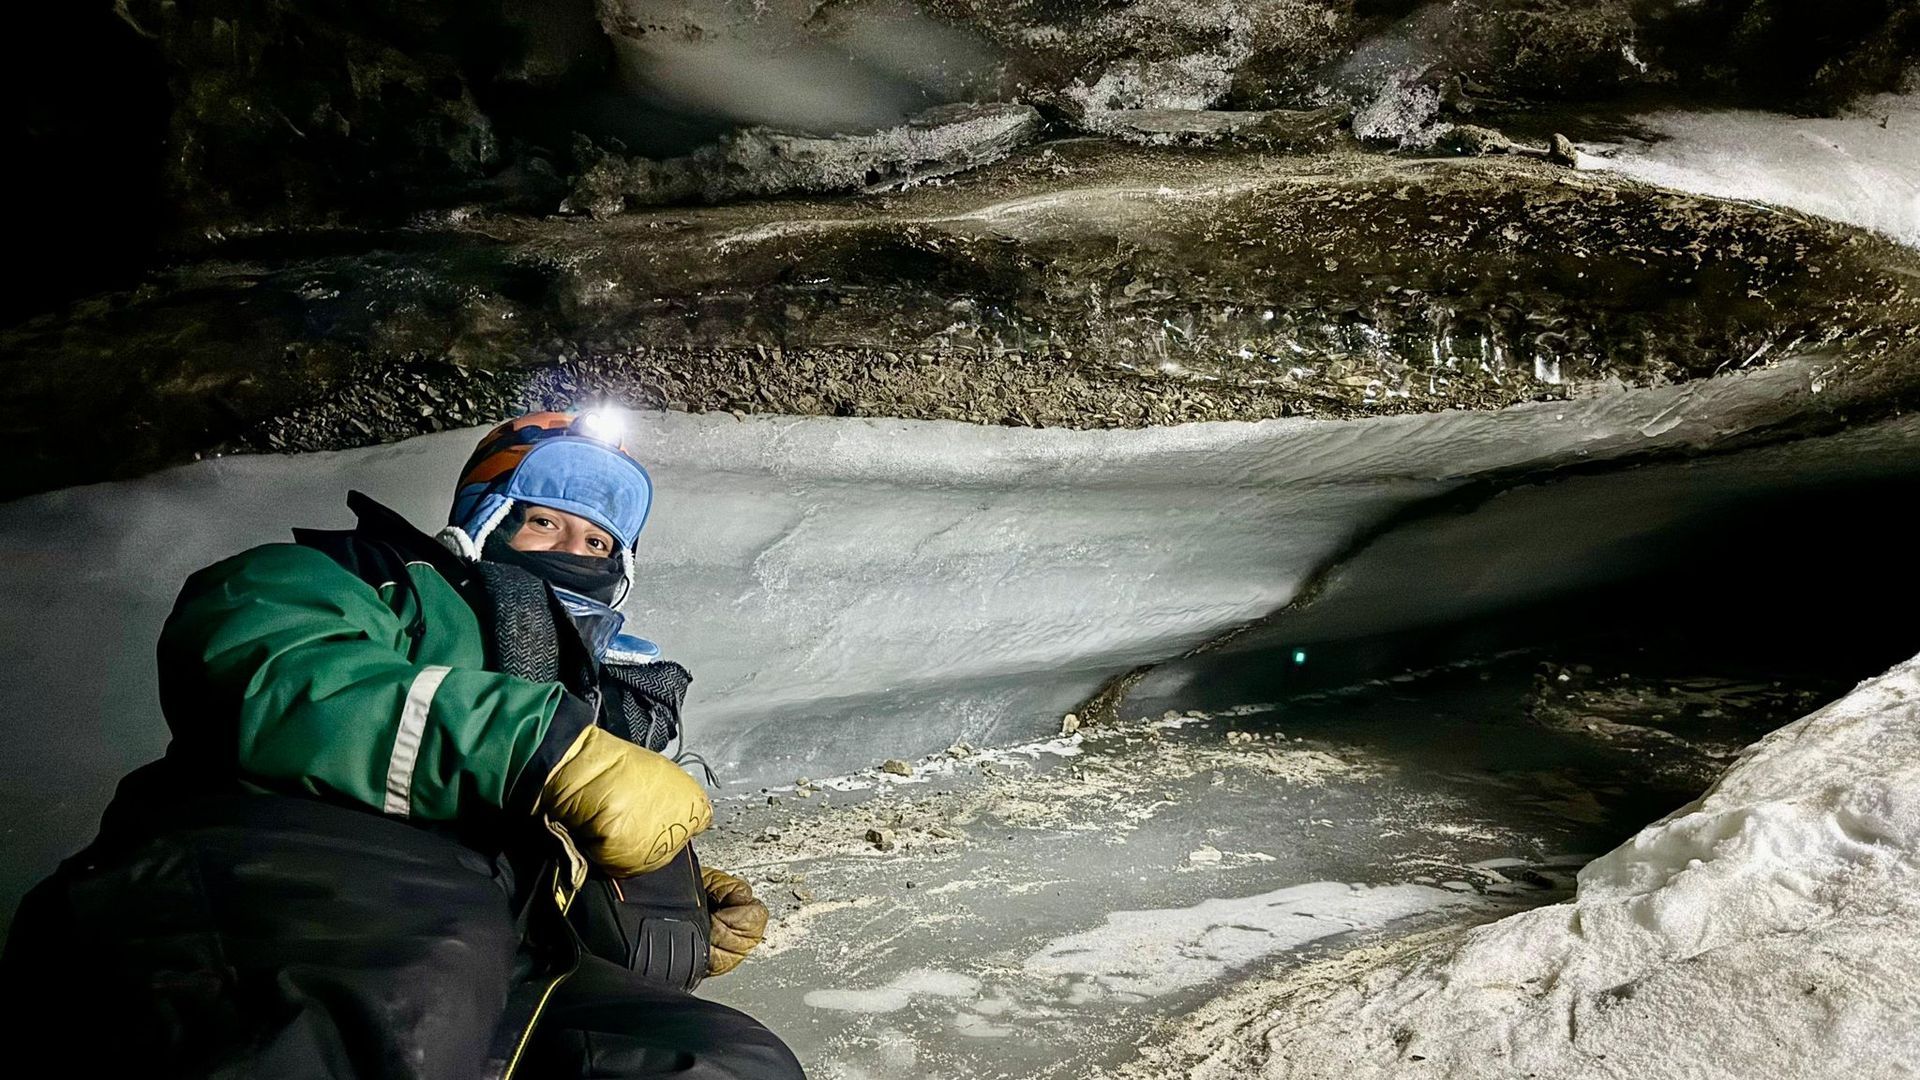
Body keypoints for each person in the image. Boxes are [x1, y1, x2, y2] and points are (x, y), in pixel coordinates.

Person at [0, 410, 804, 1080]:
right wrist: (541, 749)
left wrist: (680, 905)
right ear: (486, 519)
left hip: (506, 952)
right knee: (402, 993)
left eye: (596, 542)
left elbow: (546, 846)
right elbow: (268, 670)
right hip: (291, 878)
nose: (569, 549)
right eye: (543, 520)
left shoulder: (612, 696)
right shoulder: (357, 573)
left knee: (723, 1060)